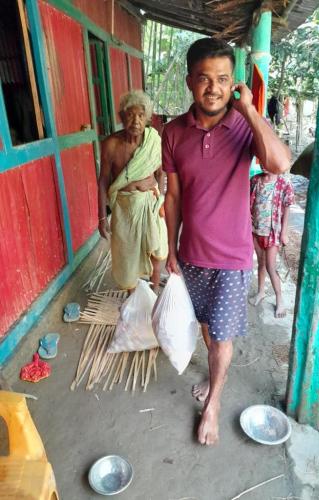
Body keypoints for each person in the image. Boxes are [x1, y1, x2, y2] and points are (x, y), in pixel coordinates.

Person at [162, 38, 291, 446]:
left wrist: (250, 110)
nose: (213, 87)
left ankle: (214, 402)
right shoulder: (172, 133)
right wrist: (169, 249)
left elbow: (280, 164)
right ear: (189, 82)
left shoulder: (244, 126)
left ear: (233, 83)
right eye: (204, 79)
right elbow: (174, 197)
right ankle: (213, 380)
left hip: (232, 259)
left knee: (221, 337)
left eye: (222, 79)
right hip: (191, 256)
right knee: (206, 327)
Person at [98, 90, 167, 292]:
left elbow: (161, 173)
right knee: (127, 255)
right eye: (130, 115)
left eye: (141, 115)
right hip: (124, 208)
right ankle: (133, 297)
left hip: (149, 204)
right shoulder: (111, 145)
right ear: (121, 117)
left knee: (156, 248)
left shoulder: (153, 141)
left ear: (147, 118)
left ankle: (153, 292)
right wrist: (102, 217)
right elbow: (103, 180)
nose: (136, 121)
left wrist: (160, 200)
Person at [249, 170, 294, 317]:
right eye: (261, 160)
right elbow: (248, 202)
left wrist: (284, 232)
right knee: (261, 263)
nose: (264, 164)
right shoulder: (256, 180)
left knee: (270, 266)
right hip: (255, 229)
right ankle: (261, 292)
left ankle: (279, 299)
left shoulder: (284, 182)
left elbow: (287, 208)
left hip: (272, 232)